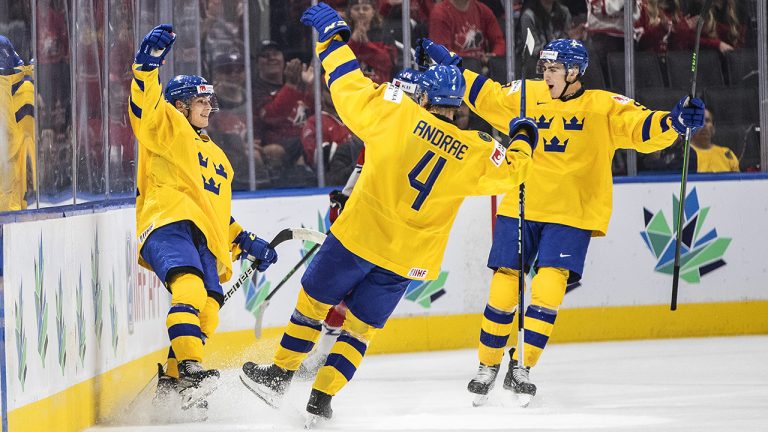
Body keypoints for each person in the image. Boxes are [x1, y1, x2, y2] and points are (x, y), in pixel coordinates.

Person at [239, 3, 536, 425]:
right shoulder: (474, 151)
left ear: (427, 97)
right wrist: (522, 134)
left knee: (314, 304)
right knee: (359, 331)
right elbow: (515, 169)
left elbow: (347, 87)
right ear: (459, 107)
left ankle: (280, 376)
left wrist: (331, 40)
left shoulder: (397, 116)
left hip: (359, 237)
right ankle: (321, 401)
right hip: (409, 259)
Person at [417, 37, 705, 406]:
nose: (546, 74)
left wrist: (675, 121)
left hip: (573, 213)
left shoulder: (601, 106)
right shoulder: (524, 94)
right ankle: (487, 365)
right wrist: (456, 66)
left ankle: (521, 366)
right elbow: (486, 95)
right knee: (504, 286)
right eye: (544, 68)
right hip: (520, 204)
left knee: (549, 289)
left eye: (553, 69)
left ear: (573, 71)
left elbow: (642, 128)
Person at [128, 24, 279, 415]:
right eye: (201, 101)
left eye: (210, 102)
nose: (209, 107)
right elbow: (145, 109)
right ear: (180, 105)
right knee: (191, 292)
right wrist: (146, 69)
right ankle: (193, 370)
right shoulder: (168, 126)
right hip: (168, 221)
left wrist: (246, 241)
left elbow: (218, 214)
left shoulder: (221, 159)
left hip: (205, 237)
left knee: (208, 312)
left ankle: (173, 383)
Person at [296, 67, 425, 380]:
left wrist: (344, 208)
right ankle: (323, 361)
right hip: (384, 236)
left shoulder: (396, 133)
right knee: (343, 301)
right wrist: (342, 206)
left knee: (349, 305)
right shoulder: (387, 132)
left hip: (383, 235)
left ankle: (318, 363)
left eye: (410, 96)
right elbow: (357, 180)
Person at [0, 35, 35, 211]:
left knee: (9, 172)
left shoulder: (3, 43)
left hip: (7, 128)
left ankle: (10, 214)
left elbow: (20, 67)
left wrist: (29, 70)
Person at [429, 0, 506, 62]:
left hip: (481, 69)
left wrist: (493, 57)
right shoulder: (440, 13)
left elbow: (499, 41)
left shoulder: (482, 10)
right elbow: (441, 54)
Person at [690, 108, 739, 173]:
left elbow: (737, 181)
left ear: (713, 127)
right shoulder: (683, 155)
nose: (704, 124)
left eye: (707, 121)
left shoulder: (726, 153)